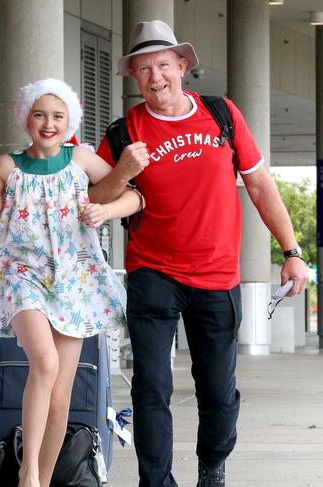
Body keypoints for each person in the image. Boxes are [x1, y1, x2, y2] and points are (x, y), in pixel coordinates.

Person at [89, 20, 309, 487]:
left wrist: (291, 250)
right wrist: (124, 169)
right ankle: (157, 482)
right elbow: (96, 199)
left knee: (219, 394)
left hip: (217, 276)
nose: (155, 77)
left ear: (182, 66)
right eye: (144, 69)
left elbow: (259, 184)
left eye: (163, 65)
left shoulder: (222, 114)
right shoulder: (123, 131)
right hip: (152, 272)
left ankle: (212, 466)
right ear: (134, 77)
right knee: (152, 388)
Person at [0, 78, 144, 487]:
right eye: (40, 114)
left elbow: (135, 195)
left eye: (58, 116)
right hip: (22, 276)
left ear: (69, 121)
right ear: (26, 118)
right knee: (43, 363)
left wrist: (107, 210)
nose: (48, 123)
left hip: (74, 280)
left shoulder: (81, 158)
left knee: (62, 392)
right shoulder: (8, 165)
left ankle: (43, 480)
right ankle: (27, 472)